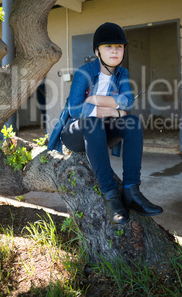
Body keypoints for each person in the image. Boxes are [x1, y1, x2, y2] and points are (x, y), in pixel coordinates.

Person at [48, 22, 163, 225]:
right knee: (92, 122)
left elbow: (128, 102)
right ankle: (111, 196)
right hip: (75, 133)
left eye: (119, 47)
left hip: (100, 129)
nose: (115, 51)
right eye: (108, 46)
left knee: (133, 123)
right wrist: (112, 111)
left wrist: (94, 100)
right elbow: (75, 110)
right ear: (97, 51)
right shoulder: (85, 72)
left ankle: (131, 192)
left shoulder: (122, 73)